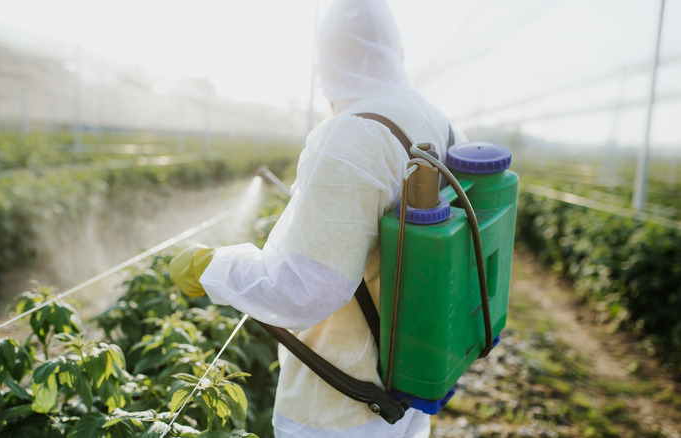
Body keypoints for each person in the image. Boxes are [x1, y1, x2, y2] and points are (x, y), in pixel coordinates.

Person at [170, 0, 466, 436]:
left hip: (340, 407)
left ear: (325, 59)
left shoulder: (354, 134)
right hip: (406, 381)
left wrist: (212, 268)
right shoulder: (435, 119)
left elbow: (306, 289)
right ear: (396, 51)